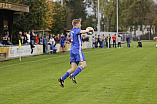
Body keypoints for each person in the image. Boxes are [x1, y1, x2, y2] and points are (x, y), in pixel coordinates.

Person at [58, 19, 93, 88]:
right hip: (77, 50)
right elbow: (81, 31)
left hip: (72, 50)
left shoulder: (71, 31)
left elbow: (69, 34)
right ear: (76, 24)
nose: (80, 25)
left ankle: (62, 79)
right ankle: (73, 75)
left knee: (73, 68)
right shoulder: (77, 30)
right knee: (84, 65)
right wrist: (88, 31)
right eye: (80, 24)